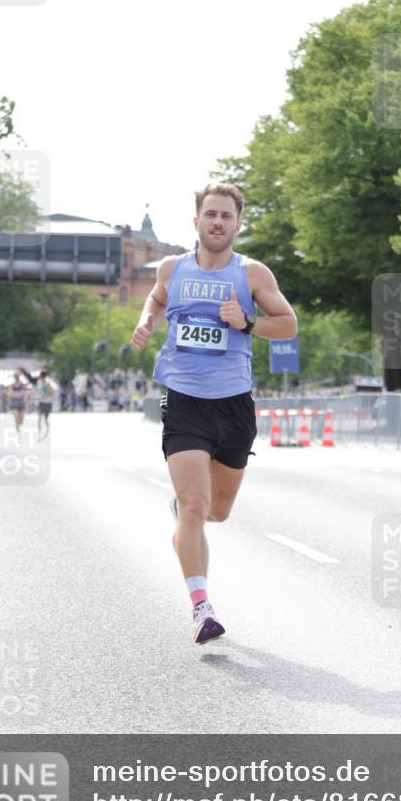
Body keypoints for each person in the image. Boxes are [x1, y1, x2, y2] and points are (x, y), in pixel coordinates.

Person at [131, 182, 297, 645]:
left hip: (234, 403)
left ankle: (184, 514)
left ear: (238, 225)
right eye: (211, 214)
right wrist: (146, 320)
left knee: (217, 513)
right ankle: (201, 608)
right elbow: (157, 297)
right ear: (197, 221)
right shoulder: (172, 267)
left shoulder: (252, 274)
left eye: (227, 216)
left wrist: (246, 322)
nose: (218, 222)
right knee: (196, 506)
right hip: (183, 398)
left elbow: (288, 324)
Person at [36, 371, 55, 438]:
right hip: (42, 402)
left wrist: (45, 395)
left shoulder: (47, 383)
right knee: (40, 417)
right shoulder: (39, 382)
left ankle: (46, 431)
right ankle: (39, 433)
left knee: (45, 418)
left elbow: (52, 392)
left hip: (47, 402)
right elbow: (38, 391)